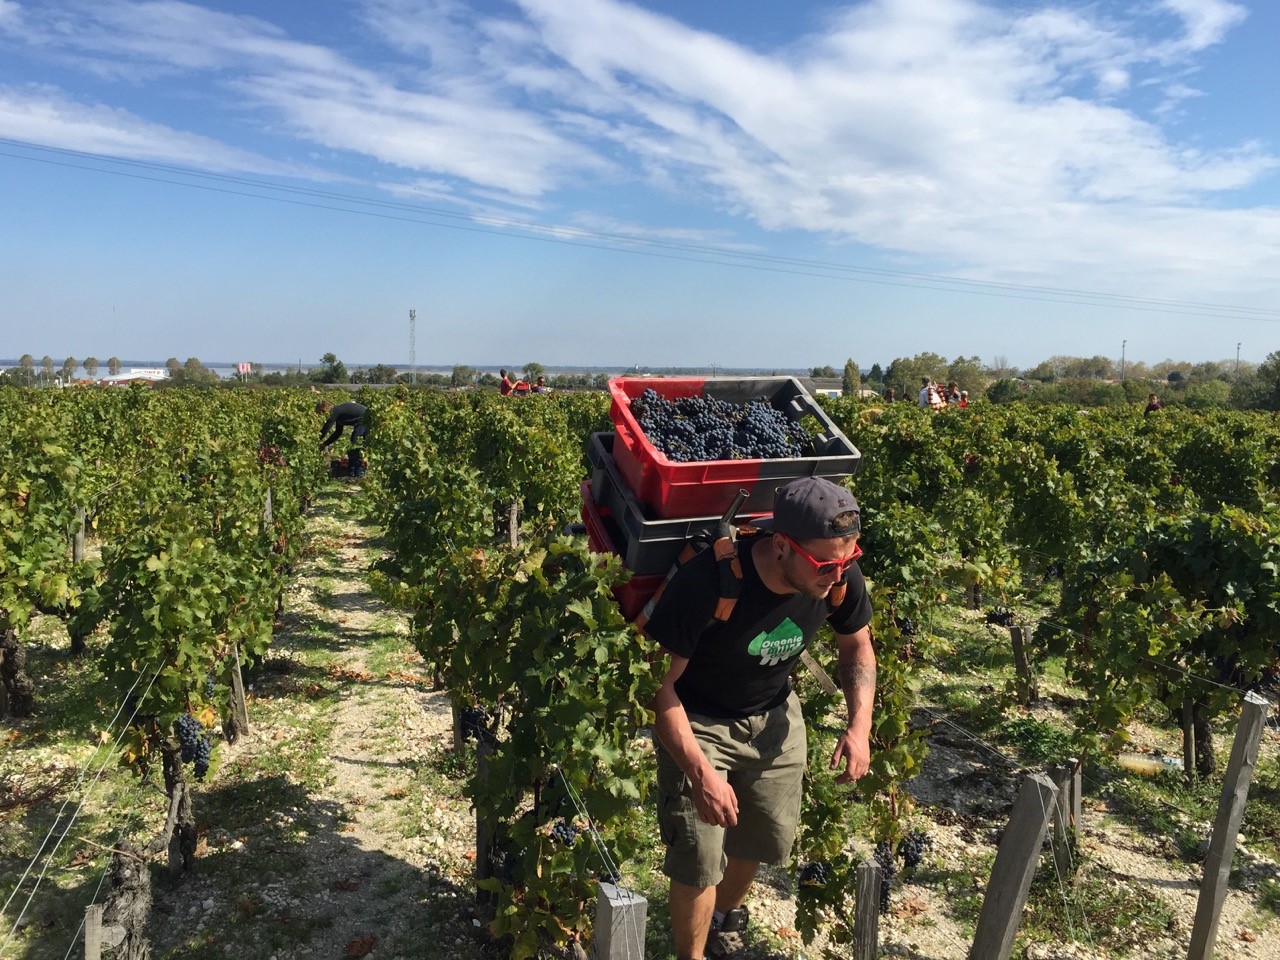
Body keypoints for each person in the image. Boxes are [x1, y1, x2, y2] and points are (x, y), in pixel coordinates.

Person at [643, 476, 876, 960]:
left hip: (773, 715)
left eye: (847, 561)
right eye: (825, 564)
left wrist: (859, 726)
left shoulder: (836, 576)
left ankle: (721, 921)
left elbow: (857, 648)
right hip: (698, 719)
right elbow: (659, 689)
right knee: (700, 857)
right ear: (780, 546)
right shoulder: (708, 582)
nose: (836, 576)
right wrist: (699, 771)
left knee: (762, 836)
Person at [317, 400, 369, 476]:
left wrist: (317, 439)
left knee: (355, 444)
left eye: (321, 412)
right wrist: (325, 444)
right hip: (363, 419)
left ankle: (358, 473)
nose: (322, 415)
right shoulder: (339, 414)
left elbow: (326, 429)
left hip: (365, 419)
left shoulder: (334, 412)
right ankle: (353, 473)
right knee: (355, 445)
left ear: (324, 409)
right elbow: (338, 433)